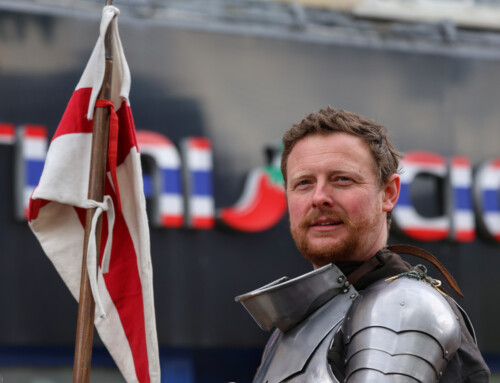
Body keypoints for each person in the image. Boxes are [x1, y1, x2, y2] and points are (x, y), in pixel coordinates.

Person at [236, 107, 490, 382]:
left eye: (342, 179)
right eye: (304, 183)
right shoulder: (295, 328)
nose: (319, 197)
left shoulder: (403, 306)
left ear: (389, 193)